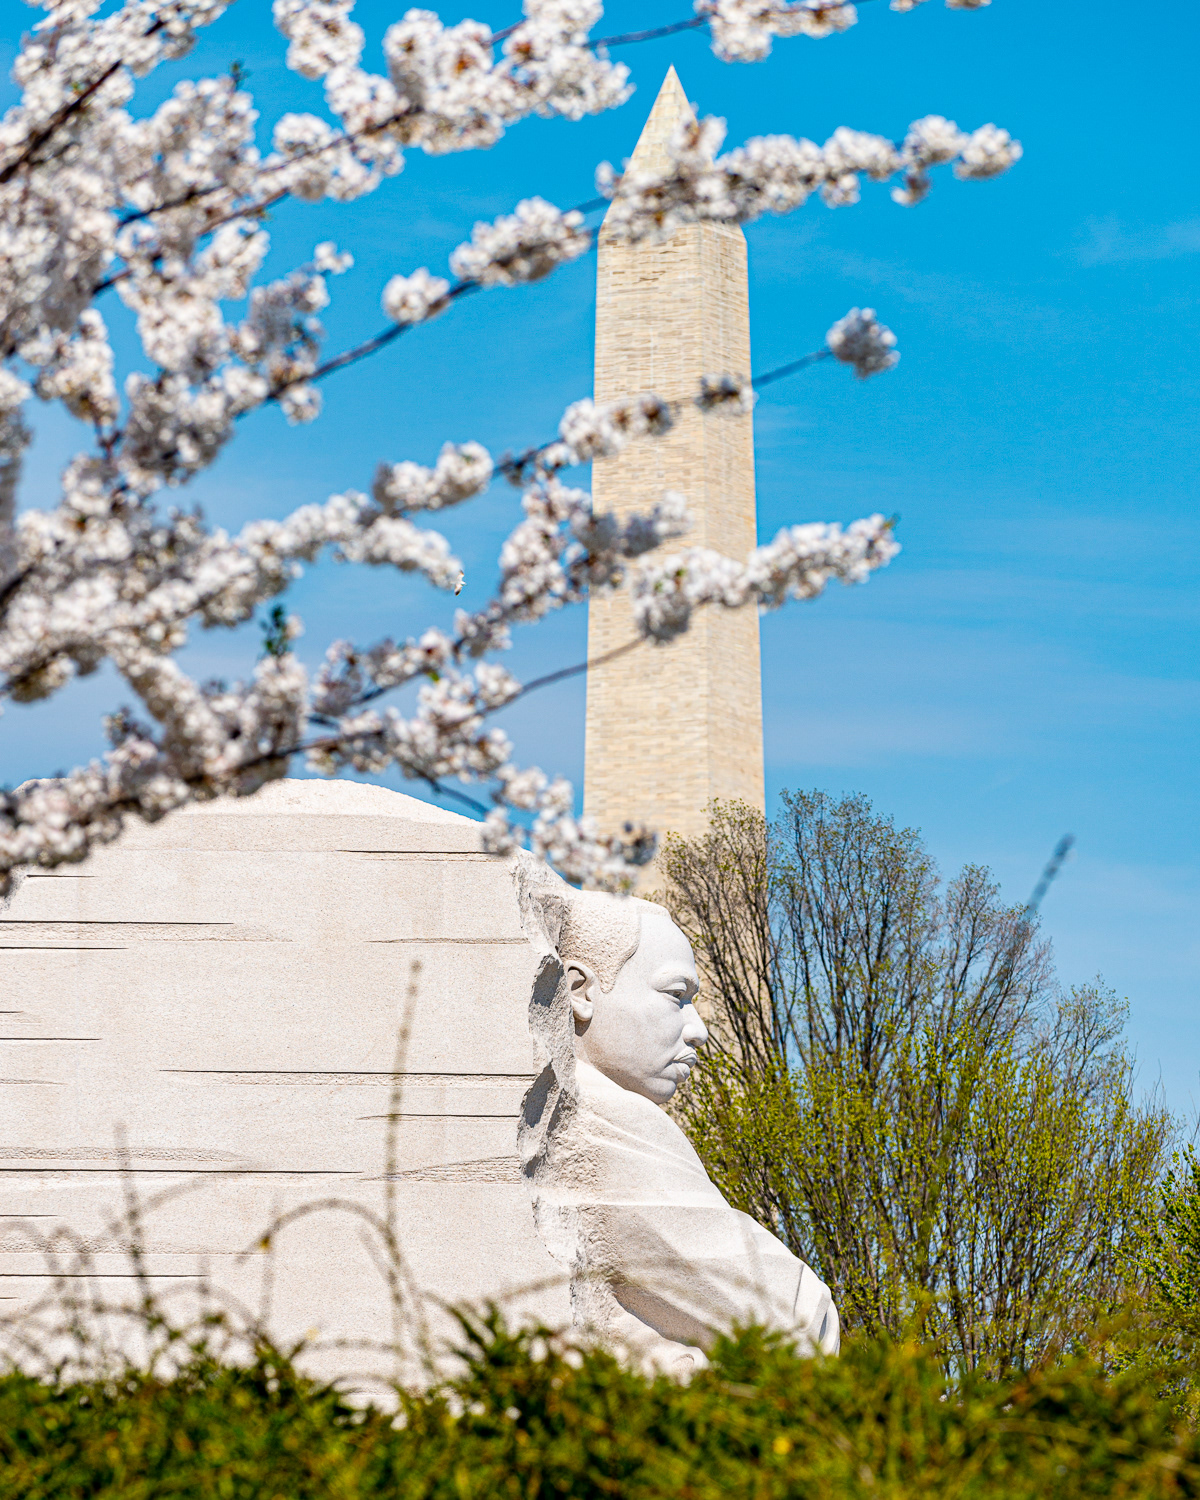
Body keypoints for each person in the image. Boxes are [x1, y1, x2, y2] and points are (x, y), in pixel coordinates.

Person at [514, 858, 839, 1375]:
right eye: (675, 997)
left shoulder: (603, 1115)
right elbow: (789, 1317)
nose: (697, 1030)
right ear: (581, 992)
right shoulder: (610, 1125)